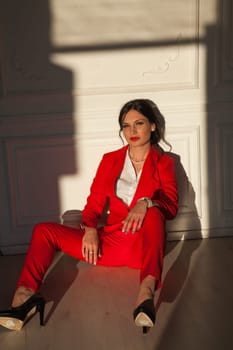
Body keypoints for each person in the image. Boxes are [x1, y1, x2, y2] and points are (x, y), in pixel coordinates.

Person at [0, 99, 178, 333]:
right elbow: (94, 203)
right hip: (111, 242)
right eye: (125, 126)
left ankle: (145, 294)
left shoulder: (164, 162)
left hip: (144, 245)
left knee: (155, 214)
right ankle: (24, 298)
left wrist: (146, 202)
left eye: (139, 123)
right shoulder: (110, 160)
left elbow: (171, 206)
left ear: (153, 126)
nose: (131, 131)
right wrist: (91, 229)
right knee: (43, 231)